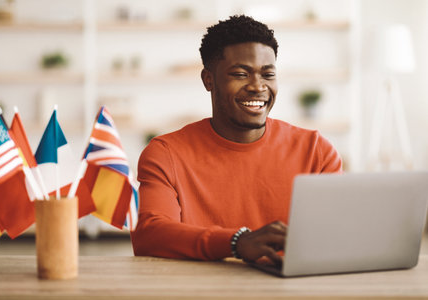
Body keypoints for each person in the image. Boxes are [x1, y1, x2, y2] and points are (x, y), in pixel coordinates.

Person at [131, 15, 342, 265]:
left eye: (268, 74)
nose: (257, 86)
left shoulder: (317, 152)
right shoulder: (166, 154)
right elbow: (151, 234)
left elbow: (337, 236)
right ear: (208, 80)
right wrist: (237, 242)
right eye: (241, 74)